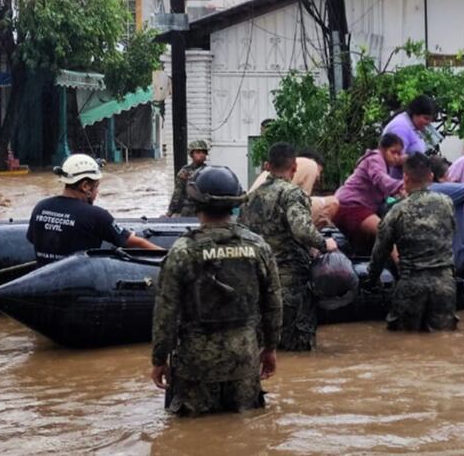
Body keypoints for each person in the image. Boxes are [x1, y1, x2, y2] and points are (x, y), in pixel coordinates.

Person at [151, 166, 283, 417]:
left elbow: (165, 314)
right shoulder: (258, 248)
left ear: (195, 201)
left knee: (192, 436)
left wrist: (159, 360)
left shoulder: (182, 252)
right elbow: (273, 303)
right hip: (244, 359)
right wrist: (271, 349)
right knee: (245, 432)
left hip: (195, 365)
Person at [239, 143, 338, 352]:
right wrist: (324, 243)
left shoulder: (250, 198)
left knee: (264, 349)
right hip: (289, 283)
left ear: (267, 166)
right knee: (297, 348)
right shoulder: (291, 193)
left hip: (258, 283)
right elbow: (302, 230)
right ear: (294, 167)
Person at [367, 153, 458, 332]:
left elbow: (380, 251)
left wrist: (372, 279)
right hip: (444, 285)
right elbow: (451, 232)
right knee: (444, 344)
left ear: (405, 178)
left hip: (411, 285)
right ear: (431, 177)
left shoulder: (397, 211)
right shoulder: (447, 203)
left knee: (402, 345)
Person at [27, 153, 161, 266]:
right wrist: (167, 258)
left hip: (42, 284)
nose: (97, 192)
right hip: (79, 286)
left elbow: (33, 240)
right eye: (96, 187)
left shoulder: (40, 207)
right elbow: (134, 243)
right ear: (85, 186)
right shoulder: (96, 215)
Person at [333, 133, 406, 255]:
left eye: (399, 154)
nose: (396, 157)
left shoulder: (383, 164)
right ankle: (405, 272)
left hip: (354, 206)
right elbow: (381, 180)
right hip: (351, 207)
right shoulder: (375, 159)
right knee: (387, 235)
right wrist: (403, 185)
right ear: (382, 148)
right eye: (393, 152)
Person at [382, 95, 437, 159]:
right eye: (426, 118)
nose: (428, 123)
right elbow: (394, 158)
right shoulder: (401, 128)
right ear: (415, 113)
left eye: (430, 120)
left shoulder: (413, 126)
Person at [165, 140, 211, 217]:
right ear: (191, 154)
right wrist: (170, 212)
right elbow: (177, 193)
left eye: (203, 152)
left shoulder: (209, 171)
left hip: (205, 208)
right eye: (198, 152)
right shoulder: (185, 172)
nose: (201, 155)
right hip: (189, 209)